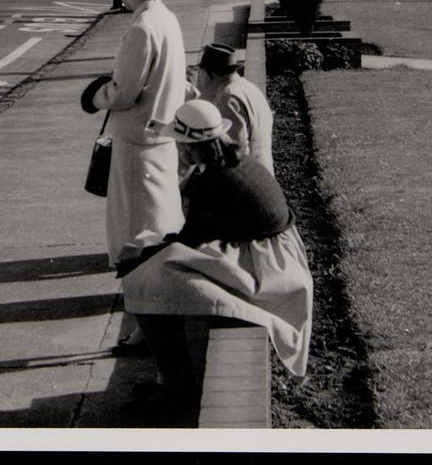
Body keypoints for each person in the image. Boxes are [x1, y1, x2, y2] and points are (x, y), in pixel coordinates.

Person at [119, 99, 313, 415]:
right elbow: (198, 235)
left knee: (145, 281)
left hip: (265, 272)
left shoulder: (210, 181)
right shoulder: (238, 161)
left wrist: (139, 258)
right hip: (277, 257)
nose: (179, 151)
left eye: (181, 145)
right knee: (156, 267)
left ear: (191, 146)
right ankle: (172, 380)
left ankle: (176, 388)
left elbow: (189, 240)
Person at [80, 0, 190, 351]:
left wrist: (94, 96)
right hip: (163, 141)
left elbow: (124, 93)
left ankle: (147, 327)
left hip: (136, 145)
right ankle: (150, 323)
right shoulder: (168, 18)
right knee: (157, 233)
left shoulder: (141, 29)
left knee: (133, 242)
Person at [190, 42, 274, 176]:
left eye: (200, 74)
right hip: (264, 175)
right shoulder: (249, 87)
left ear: (206, 74)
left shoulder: (229, 97)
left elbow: (234, 156)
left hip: (247, 182)